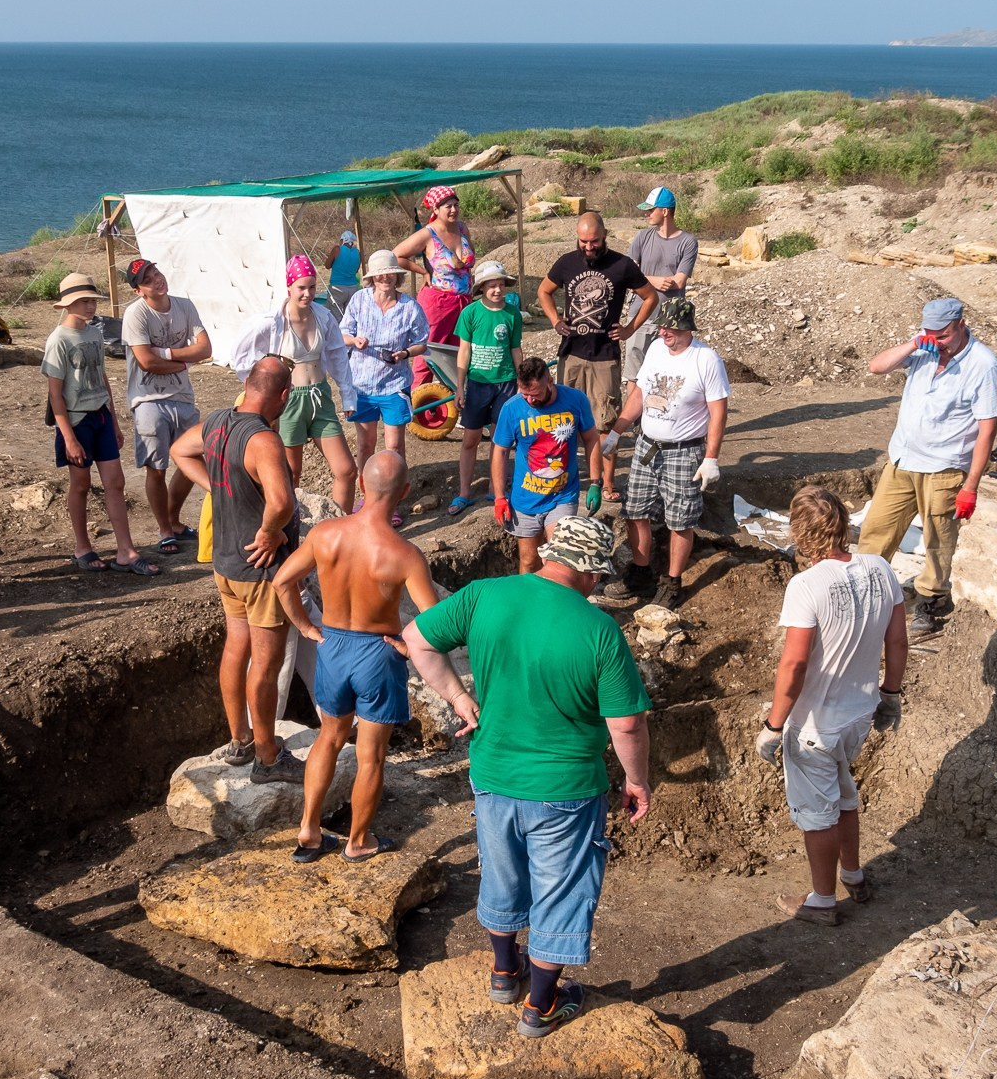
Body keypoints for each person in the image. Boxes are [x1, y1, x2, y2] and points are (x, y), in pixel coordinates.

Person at [403, 516, 652, 1038]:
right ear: (589, 573)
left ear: (548, 554)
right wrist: (636, 780)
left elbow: (416, 640)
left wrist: (458, 698)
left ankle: (503, 971)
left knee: (502, 873)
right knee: (560, 890)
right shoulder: (600, 630)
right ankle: (541, 1006)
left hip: (493, 773)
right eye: (599, 576)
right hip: (566, 789)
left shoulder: (485, 595)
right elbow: (626, 723)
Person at [276, 452, 442, 862]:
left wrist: (306, 628)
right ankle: (358, 841)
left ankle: (309, 831)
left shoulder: (326, 534)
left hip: (332, 646)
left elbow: (282, 580)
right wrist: (407, 646)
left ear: (363, 486)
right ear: (404, 493)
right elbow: (435, 621)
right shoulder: (404, 554)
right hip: (376, 652)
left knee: (328, 738)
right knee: (371, 755)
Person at [754, 487, 907, 926]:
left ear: (801, 533)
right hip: (860, 711)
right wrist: (890, 695)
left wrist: (773, 724)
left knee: (819, 814)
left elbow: (796, 662)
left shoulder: (806, 585)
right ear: (843, 523)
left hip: (815, 725)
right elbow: (896, 640)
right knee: (844, 795)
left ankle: (822, 901)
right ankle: (854, 876)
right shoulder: (880, 568)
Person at [171, 357, 306, 782]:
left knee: (235, 649)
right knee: (265, 665)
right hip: (261, 569)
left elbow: (179, 450)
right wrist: (270, 531)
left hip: (226, 563)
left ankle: (240, 740)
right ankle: (268, 758)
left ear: (248, 384)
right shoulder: (263, 440)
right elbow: (282, 502)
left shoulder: (215, 422)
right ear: (284, 396)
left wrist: (217, 484)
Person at [854, 297, 997, 635]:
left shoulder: (983, 365)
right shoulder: (923, 350)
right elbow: (876, 367)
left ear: (961, 326)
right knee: (877, 530)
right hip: (903, 460)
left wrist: (971, 487)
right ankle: (865, 592)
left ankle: (930, 606)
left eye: (944, 335)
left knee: (938, 542)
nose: (937, 341)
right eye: (930, 333)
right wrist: (914, 342)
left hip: (945, 469)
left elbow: (987, 430)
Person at [599, 298, 730, 610]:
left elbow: (718, 413)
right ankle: (642, 574)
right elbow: (640, 394)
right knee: (635, 510)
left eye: (670, 328)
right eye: (662, 327)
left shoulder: (706, 360)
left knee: (680, 518)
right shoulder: (657, 349)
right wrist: (617, 431)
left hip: (684, 451)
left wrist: (711, 457)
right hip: (649, 445)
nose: (664, 332)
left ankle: (672, 582)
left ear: (686, 328)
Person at [44, 272, 152, 575]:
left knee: (115, 482)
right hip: (76, 421)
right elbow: (55, 395)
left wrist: (115, 422)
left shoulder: (94, 333)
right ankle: (82, 546)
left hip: (101, 415)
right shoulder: (58, 340)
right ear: (68, 305)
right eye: (83, 301)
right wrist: (68, 438)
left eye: (92, 300)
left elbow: (102, 377)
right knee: (80, 483)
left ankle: (126, 551)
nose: (90, 306)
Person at [232, 256, 357, 514]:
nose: (308, 293)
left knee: (346, 469)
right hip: (288, 401)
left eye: (312, 287)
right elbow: (241, 356)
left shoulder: (323, 317)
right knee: (291, 474)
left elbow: (337, 356)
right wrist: (256, 393)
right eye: (302, 287)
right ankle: (291, 532)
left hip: (319, 397)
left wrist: (348, 395)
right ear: (289, 287)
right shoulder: (272, 320)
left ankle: (338, 532)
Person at [538, 211, 657, 453]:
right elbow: (543, 291)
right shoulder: (566, 262)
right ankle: (571, 475)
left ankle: (607, 484)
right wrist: (555, 320)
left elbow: (650, 297)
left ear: (604, 235)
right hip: (571, 353)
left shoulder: (622, 265)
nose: (589, 247)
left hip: (605, 355)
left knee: (605, 421)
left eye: (594, 241)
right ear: (577, 237)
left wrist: (629, 328)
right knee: (565, 419)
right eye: (584, 242)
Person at [120, 257, 209, 556]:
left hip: (182, 397)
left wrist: (169, 354)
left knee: (193, 458)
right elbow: (146, 362)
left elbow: (206, 348)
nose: (157, 279)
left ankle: (173, 519)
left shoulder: (184, 305)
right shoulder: (136, 314)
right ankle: (165, 529)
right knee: (156, 468)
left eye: (156, 272)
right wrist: (183, 362)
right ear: (139, 291)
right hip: (147, 399)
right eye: (148, 279)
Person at [490, 357, 602, 573]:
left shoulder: (575, 400)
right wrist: (499, 496)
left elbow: (591, 439)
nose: (530, 401)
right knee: (529, 560)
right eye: (525, 394)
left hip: (563, 494)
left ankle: (558, 604)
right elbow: (500, 451)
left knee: (558, 558)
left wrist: (596, 482)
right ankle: (528, 605)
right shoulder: (512, 408)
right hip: (526, 498)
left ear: (549, 381)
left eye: (536, 394)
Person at [447, 259, 526, 516]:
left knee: (498, 438)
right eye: (491, 285)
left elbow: (515, 349)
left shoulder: (512, 314)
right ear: (481, 288)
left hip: (505, 383)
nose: (497, 290)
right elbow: (464, 351)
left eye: (501, 284)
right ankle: (464, 492)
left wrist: (522, 382)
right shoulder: (470, 313)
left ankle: (496, 488)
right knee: (470, 438)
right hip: (478, 384)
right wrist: (460, 386)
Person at [339, 249, 428, 473]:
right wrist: (354, 341)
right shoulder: (359, 299)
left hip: (394, 384)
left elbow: (422, 342)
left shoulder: (409, 307)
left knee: (394, 446)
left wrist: (405, 353)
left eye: (389, 273)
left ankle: (395, 495)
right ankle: (367, 493)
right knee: (365, 444)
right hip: (362, 385)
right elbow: (342, 334)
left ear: (397, 276)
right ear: (371, 278)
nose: (385, 278)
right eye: (379, 274)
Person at [622, 186, 699, 397]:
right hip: (641, 315)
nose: (646, 213)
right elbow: (629, 273)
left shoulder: (688, 242)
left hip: (671, 320)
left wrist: (643, 278)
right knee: (634, 374)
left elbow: (679, 281)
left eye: (651, 209)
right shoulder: (642, 238)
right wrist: (654, 280)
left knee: (666, 374)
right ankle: (638, 424)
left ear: (665, 211)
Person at [395, 185, 477, 380]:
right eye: (448, 206)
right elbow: (396, 255)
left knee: (459, 352)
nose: (453, 210)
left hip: (463, 302)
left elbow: (469, 259)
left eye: (456, 205)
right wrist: (423, 271)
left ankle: (453, 401)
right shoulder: (427, 234)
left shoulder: (461, 228)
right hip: (438, 302)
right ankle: (419, 405)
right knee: (428, 352)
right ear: (436, 209)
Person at [322, 229, 362, 318]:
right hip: (353, 287)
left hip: (337, 287)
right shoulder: (357, 252)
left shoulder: (337, 249)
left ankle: (337, 332)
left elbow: (327, 265)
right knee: (350, 316)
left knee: (335, 316)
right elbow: (356, 269)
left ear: (343, 240)